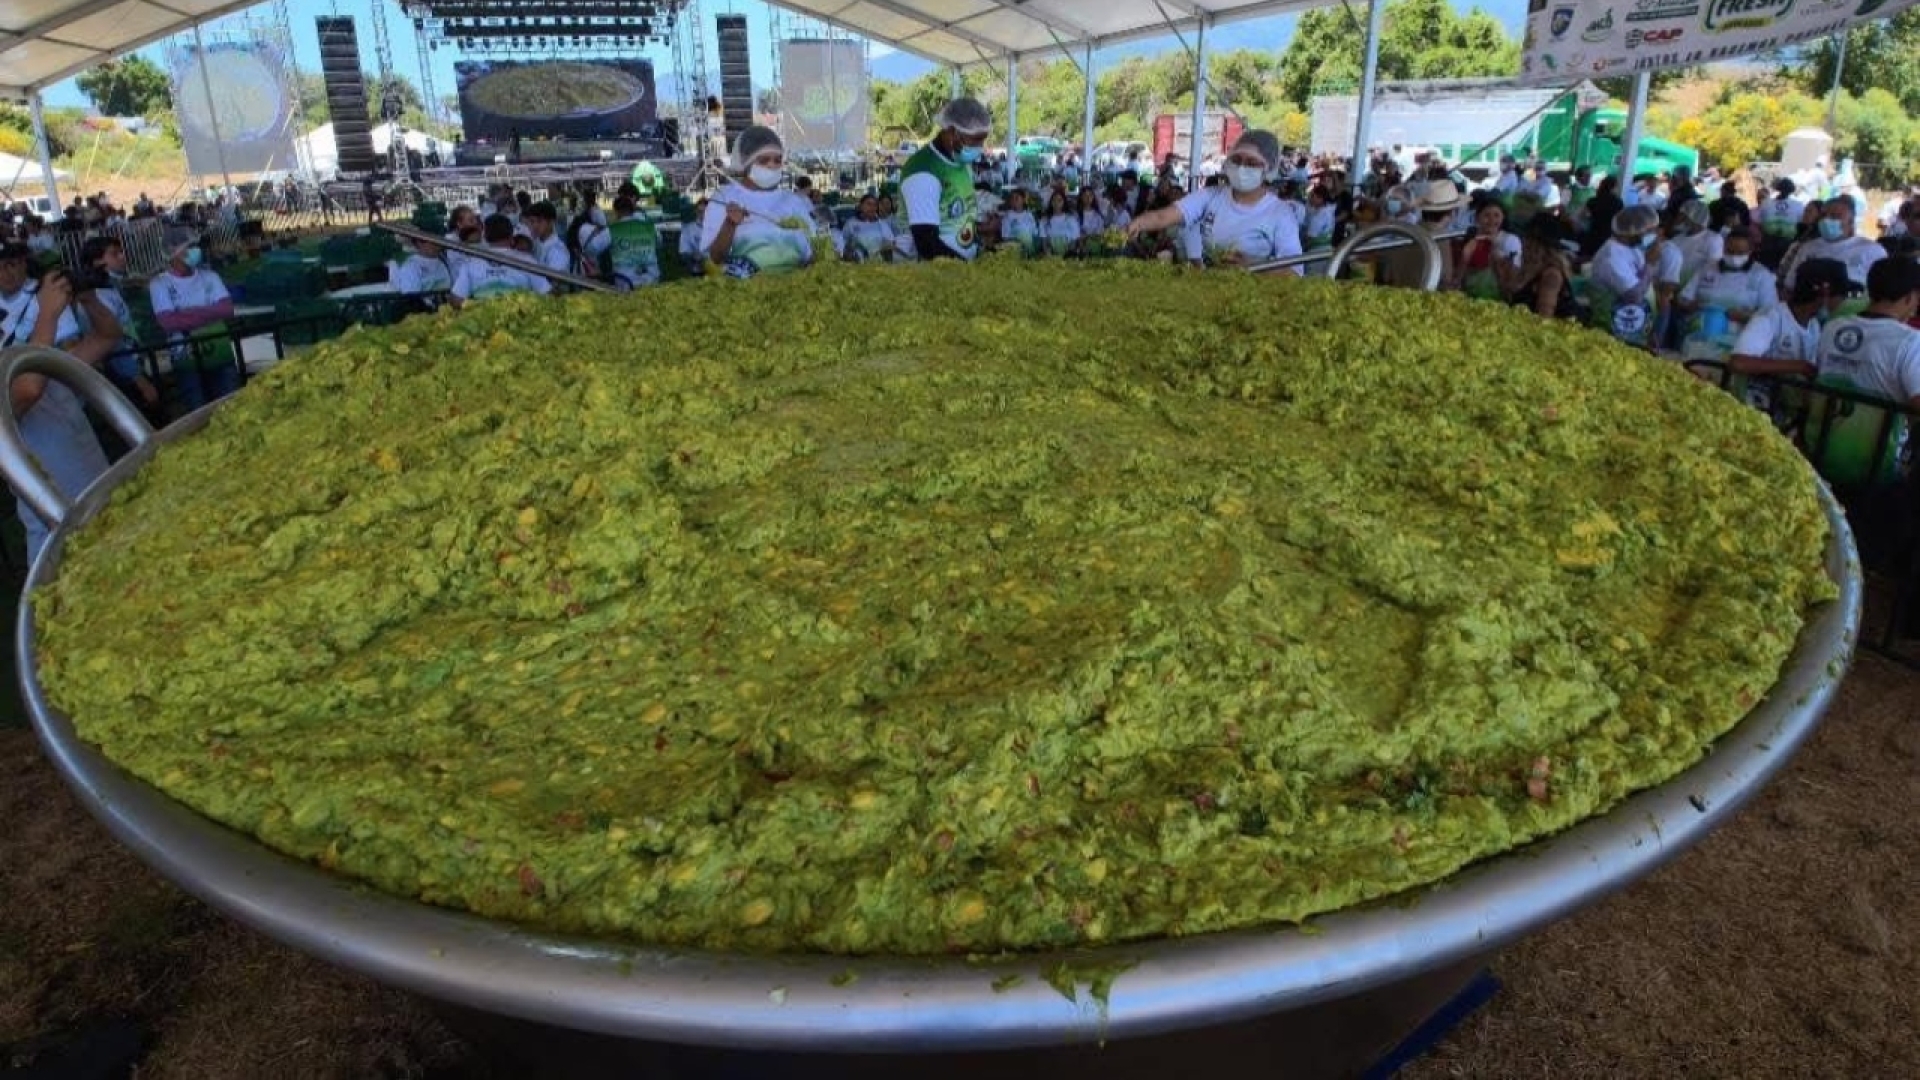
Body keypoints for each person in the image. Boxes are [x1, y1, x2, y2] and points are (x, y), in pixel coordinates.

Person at [0, 248, 124, 562]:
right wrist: (47, 315)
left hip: (102, 499)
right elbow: (26, 391)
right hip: (55, 528)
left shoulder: (36, 365)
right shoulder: (25, 375)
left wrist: (88, 299)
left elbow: (106, 338)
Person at [1126, 130, 1301, 271]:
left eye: (1252, 163)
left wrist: (1253, 266)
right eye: (1237, 160)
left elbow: (1294, 272)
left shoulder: (1280, 214)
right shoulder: (1210, 196)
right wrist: (1136, 225)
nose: (1242, 167)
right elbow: (1163, 217)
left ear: (1268, 169)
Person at [1727, 257, 1849, 417]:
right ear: (1825, 294)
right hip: (1752, 409)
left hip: (1785, 409)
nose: (1843, 302)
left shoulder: (1814, 326)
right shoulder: (1771, 317)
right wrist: (1800, 366)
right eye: (1841, 296)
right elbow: (1738, 363)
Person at [701, 126, 817, 278]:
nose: (772, 165)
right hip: (742, 288)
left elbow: (814, 249)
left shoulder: (793, 201)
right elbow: (714, 259)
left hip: (795, 284)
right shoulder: (724, 197)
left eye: (777, 160)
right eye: (763, 160)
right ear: (746, 162)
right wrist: (730, 224)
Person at [148, 239, 237, 412]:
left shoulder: (210, 276)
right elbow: (168, 322)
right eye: (188, 247)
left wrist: (186, 313)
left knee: (230, 406)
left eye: (194, 246)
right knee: (198, 411)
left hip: (222, 354)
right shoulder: (159, 284)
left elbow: (226, 309)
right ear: (173, 253)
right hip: (186, 360)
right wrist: (210, 311)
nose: (195, 250)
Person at [901, 97, 991, 262]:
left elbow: (964, 216)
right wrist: (968, 270)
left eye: (982, 140)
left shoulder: (961, 163)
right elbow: (927, 244)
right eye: (975, 141)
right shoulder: (923, 172)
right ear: (952, 132)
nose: (979, 147)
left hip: (963, 265)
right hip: (935, 271)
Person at [77, 235, 158, 411]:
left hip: (132, 362)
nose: (122, 257)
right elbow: (113, 345)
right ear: (98, 262)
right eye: (114, 254)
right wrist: (139, 379)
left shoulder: (111, 288)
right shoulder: (96, 297)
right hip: (121, 372)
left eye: (121, 252)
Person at [1588, 205, 1664, 349]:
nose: (1653, 235)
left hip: (1635, 331)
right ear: (1632, 231)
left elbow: (1644, 282)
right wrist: (1650, 263)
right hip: (1613, 334)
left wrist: (1649, 328)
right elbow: (1634, 296)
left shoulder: (1634, 249)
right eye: (1649, 230)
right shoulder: (1611, 256)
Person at [1678, 229, 1776, 337]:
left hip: (1738, 335)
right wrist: (1692, 306)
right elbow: (1684, 298)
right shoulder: (1708, 268)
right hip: (1699, 329)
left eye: (1740, 253)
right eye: (1730, 251)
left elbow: (1770, 315)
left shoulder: (1762, 275)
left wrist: (1745, 316)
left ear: (1750, 251)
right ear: (1723, 248)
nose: (1734, 257)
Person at [1782, 196, 1885, 295]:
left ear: (1851, 222)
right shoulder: (1808, 248)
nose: (1826, 220)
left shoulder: (1872, 250)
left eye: (1835, 216)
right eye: (1823, 215)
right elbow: (1789, 286)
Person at [449, 215, 553, 307]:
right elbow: (547, 294)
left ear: (485, 236)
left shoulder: (471, 263)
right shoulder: (527, 261)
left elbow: (456, 300)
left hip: (482, 320)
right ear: (511, 236)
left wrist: (479, 305)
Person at [1506, 213, 1579, 320]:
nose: (1523, 243)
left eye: (1526, 239)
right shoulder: (1531, 269)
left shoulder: (1551, 275)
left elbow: (1544, 317)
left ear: (1535, 244)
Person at [1455, 200, 1520, 298]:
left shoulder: (1510, 240)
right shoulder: (1471, 239)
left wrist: (1495, 249)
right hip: (1469, 295)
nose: (1491, 220)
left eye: (1496, 215)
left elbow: (1513, 274)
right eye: (1487, 215)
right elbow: (1461, 272)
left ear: (1503, 218)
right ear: (1477, 218)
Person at [605, 195, 661, 291]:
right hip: (652, 277)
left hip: (626, 281)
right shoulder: (650, 227)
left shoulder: (612, 230)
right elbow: (659, 242)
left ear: (616, 211)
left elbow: (593, 248)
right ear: (632, 210)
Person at [842, 195, 897, 263]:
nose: (872, 207)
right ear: (861, 206)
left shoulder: (882, 225)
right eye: (869, 204)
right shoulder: (850, 224)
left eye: (875, 205)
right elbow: (843, 244)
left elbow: (891, 244)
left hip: (879, 264)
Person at [520, 202, 570, 275]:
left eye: (539, 221)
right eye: (532, 221)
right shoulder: (537, 241)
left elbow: (554, 278)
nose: (535, 226)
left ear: (551, 222)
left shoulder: (558, 251)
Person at [1581, 175, 1624, 260]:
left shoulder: (1592, 201)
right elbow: (1620, 219)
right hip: (1609, 234)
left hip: (1594, 233)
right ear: (1613, 188)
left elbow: (1585, 215)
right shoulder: (1618, 202)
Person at [1039, 189, 1081, 257]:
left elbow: (1074, 240)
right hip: (1050, 255)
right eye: (1054, 200)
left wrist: (1068, 254)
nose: (1056, 203)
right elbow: (1044, 241)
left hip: (1069, 255)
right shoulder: (1044, 220)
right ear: (1051, 202)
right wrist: (1048, 253)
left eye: (1059, 200)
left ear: (1064, 202)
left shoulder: (1071, 219)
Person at [997, 188, 1037, 256]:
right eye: (1012, 198)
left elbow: (1034, 233)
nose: (1014, 201)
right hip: (1014, 247)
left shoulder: (1029, 215)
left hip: (1030, 247)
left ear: (1023, 200)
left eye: (1017, 198)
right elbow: (1005, 237)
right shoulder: (1008, 216)